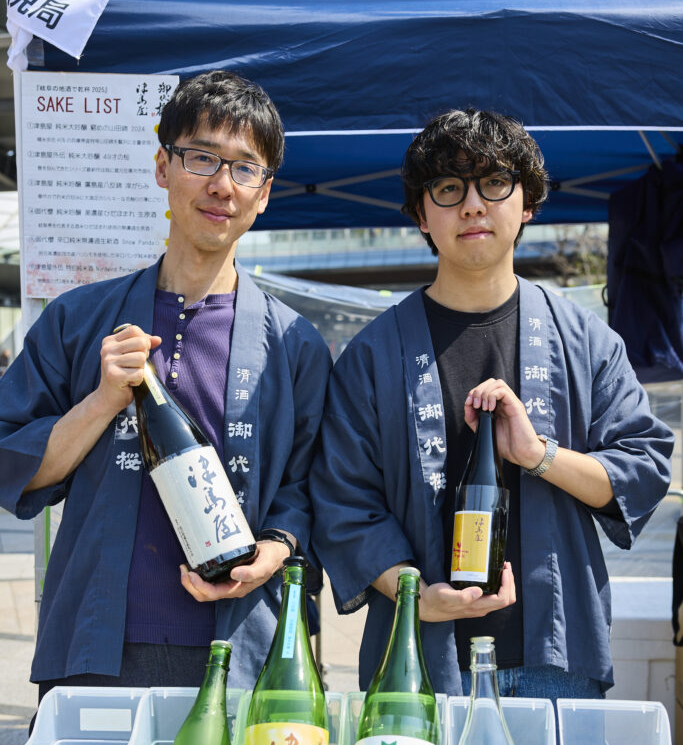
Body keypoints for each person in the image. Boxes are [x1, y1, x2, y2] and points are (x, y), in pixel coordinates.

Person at [310, 108, 673, 699]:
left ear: (526, 202)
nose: (473, 206)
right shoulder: (373, 355)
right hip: (418, 661)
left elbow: (644, 465)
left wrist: (539, 454)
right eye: (449, 189)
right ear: (421, 216)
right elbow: (341, 502)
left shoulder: (583, 341)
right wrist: (417, 595)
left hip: (556, 659)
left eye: (494, 183)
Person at [0, 70, 332, 701]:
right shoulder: (78, 320)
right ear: (163, 165)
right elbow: (14, 466)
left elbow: (311, 488)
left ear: (264, 193)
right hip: (95, 651)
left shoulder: (295, 345)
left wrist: (273, 551)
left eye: (244, 168)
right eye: (202, 157)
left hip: (241, 655)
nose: (220, 185)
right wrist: (101, 401)